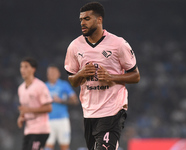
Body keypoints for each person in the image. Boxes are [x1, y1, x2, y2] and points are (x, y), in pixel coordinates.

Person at [64, 2, 140, 150]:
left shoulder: (118, 44)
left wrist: (112, 78)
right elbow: (72, 81)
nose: (82, 23)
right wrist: (81, 74)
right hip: (89, 112)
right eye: (81, 20)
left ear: (99, 20)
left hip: (113, 110)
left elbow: (135, 76)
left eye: (87, 19)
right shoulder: (74, 46)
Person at [17, 57, 53, 150]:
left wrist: (29, 110)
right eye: (21, 67)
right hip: (28, 130)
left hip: (40, 130)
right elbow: (24, 108)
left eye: (26, 67)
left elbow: (48, 108)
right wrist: (21, 117)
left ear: (33, 69)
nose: (23, 70)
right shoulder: (21, 89)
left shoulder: (40, 86)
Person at [44, 65, 78, 150]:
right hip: (48, 121)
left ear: (58, 74)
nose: (52, 75)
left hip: (62, 120)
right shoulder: (43, 87)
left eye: (54, 72)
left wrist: (61, 101)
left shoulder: (64, 85)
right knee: (48, 147)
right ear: (47, 75)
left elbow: (75, 101)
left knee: (64, 147)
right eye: (50, 73)